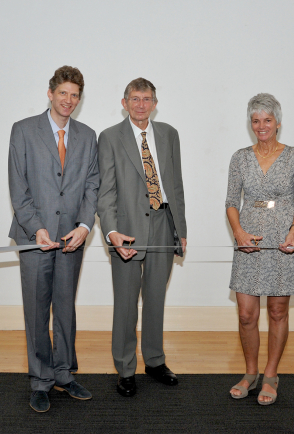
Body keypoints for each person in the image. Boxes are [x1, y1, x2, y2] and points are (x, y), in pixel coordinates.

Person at [8, 66, 99, 412]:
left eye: (75, 95)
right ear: (50, 93)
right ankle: (40, 379)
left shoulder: (88, 136)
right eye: (63, 93)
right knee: (36, 310)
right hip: (35, 237)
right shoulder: (23, 130)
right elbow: (19, 188)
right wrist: (36, 228)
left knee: (64, 308)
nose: (69, 100)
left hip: (71, 238)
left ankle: (64, 374)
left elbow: (92, 186)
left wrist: (85, 226)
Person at [97, 77, 187, 397]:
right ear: (124, 103)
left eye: (146, 99)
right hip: (127, 231)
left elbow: (174, 186)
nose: (140, 105)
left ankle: (154, 361)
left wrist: (181, 229)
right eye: (134, 99)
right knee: (125, 304)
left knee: (156, 300)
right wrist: (111, 232)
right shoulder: (109, 138)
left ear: (154, 103)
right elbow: (105, 192)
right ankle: (125, 368)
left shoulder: (168, 135)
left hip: (163, 224)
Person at [225, 93, 294, 405]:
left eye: (267, 120)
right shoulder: (240, 157)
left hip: (282, 241)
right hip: (248, 240)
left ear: (277, 123)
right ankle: (250, 373)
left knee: (277, 311)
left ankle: (271, 374)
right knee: (247, 314)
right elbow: (232, 202)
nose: (261, 126)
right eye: (256, 120)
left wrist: (293, 231)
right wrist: (238, 232)